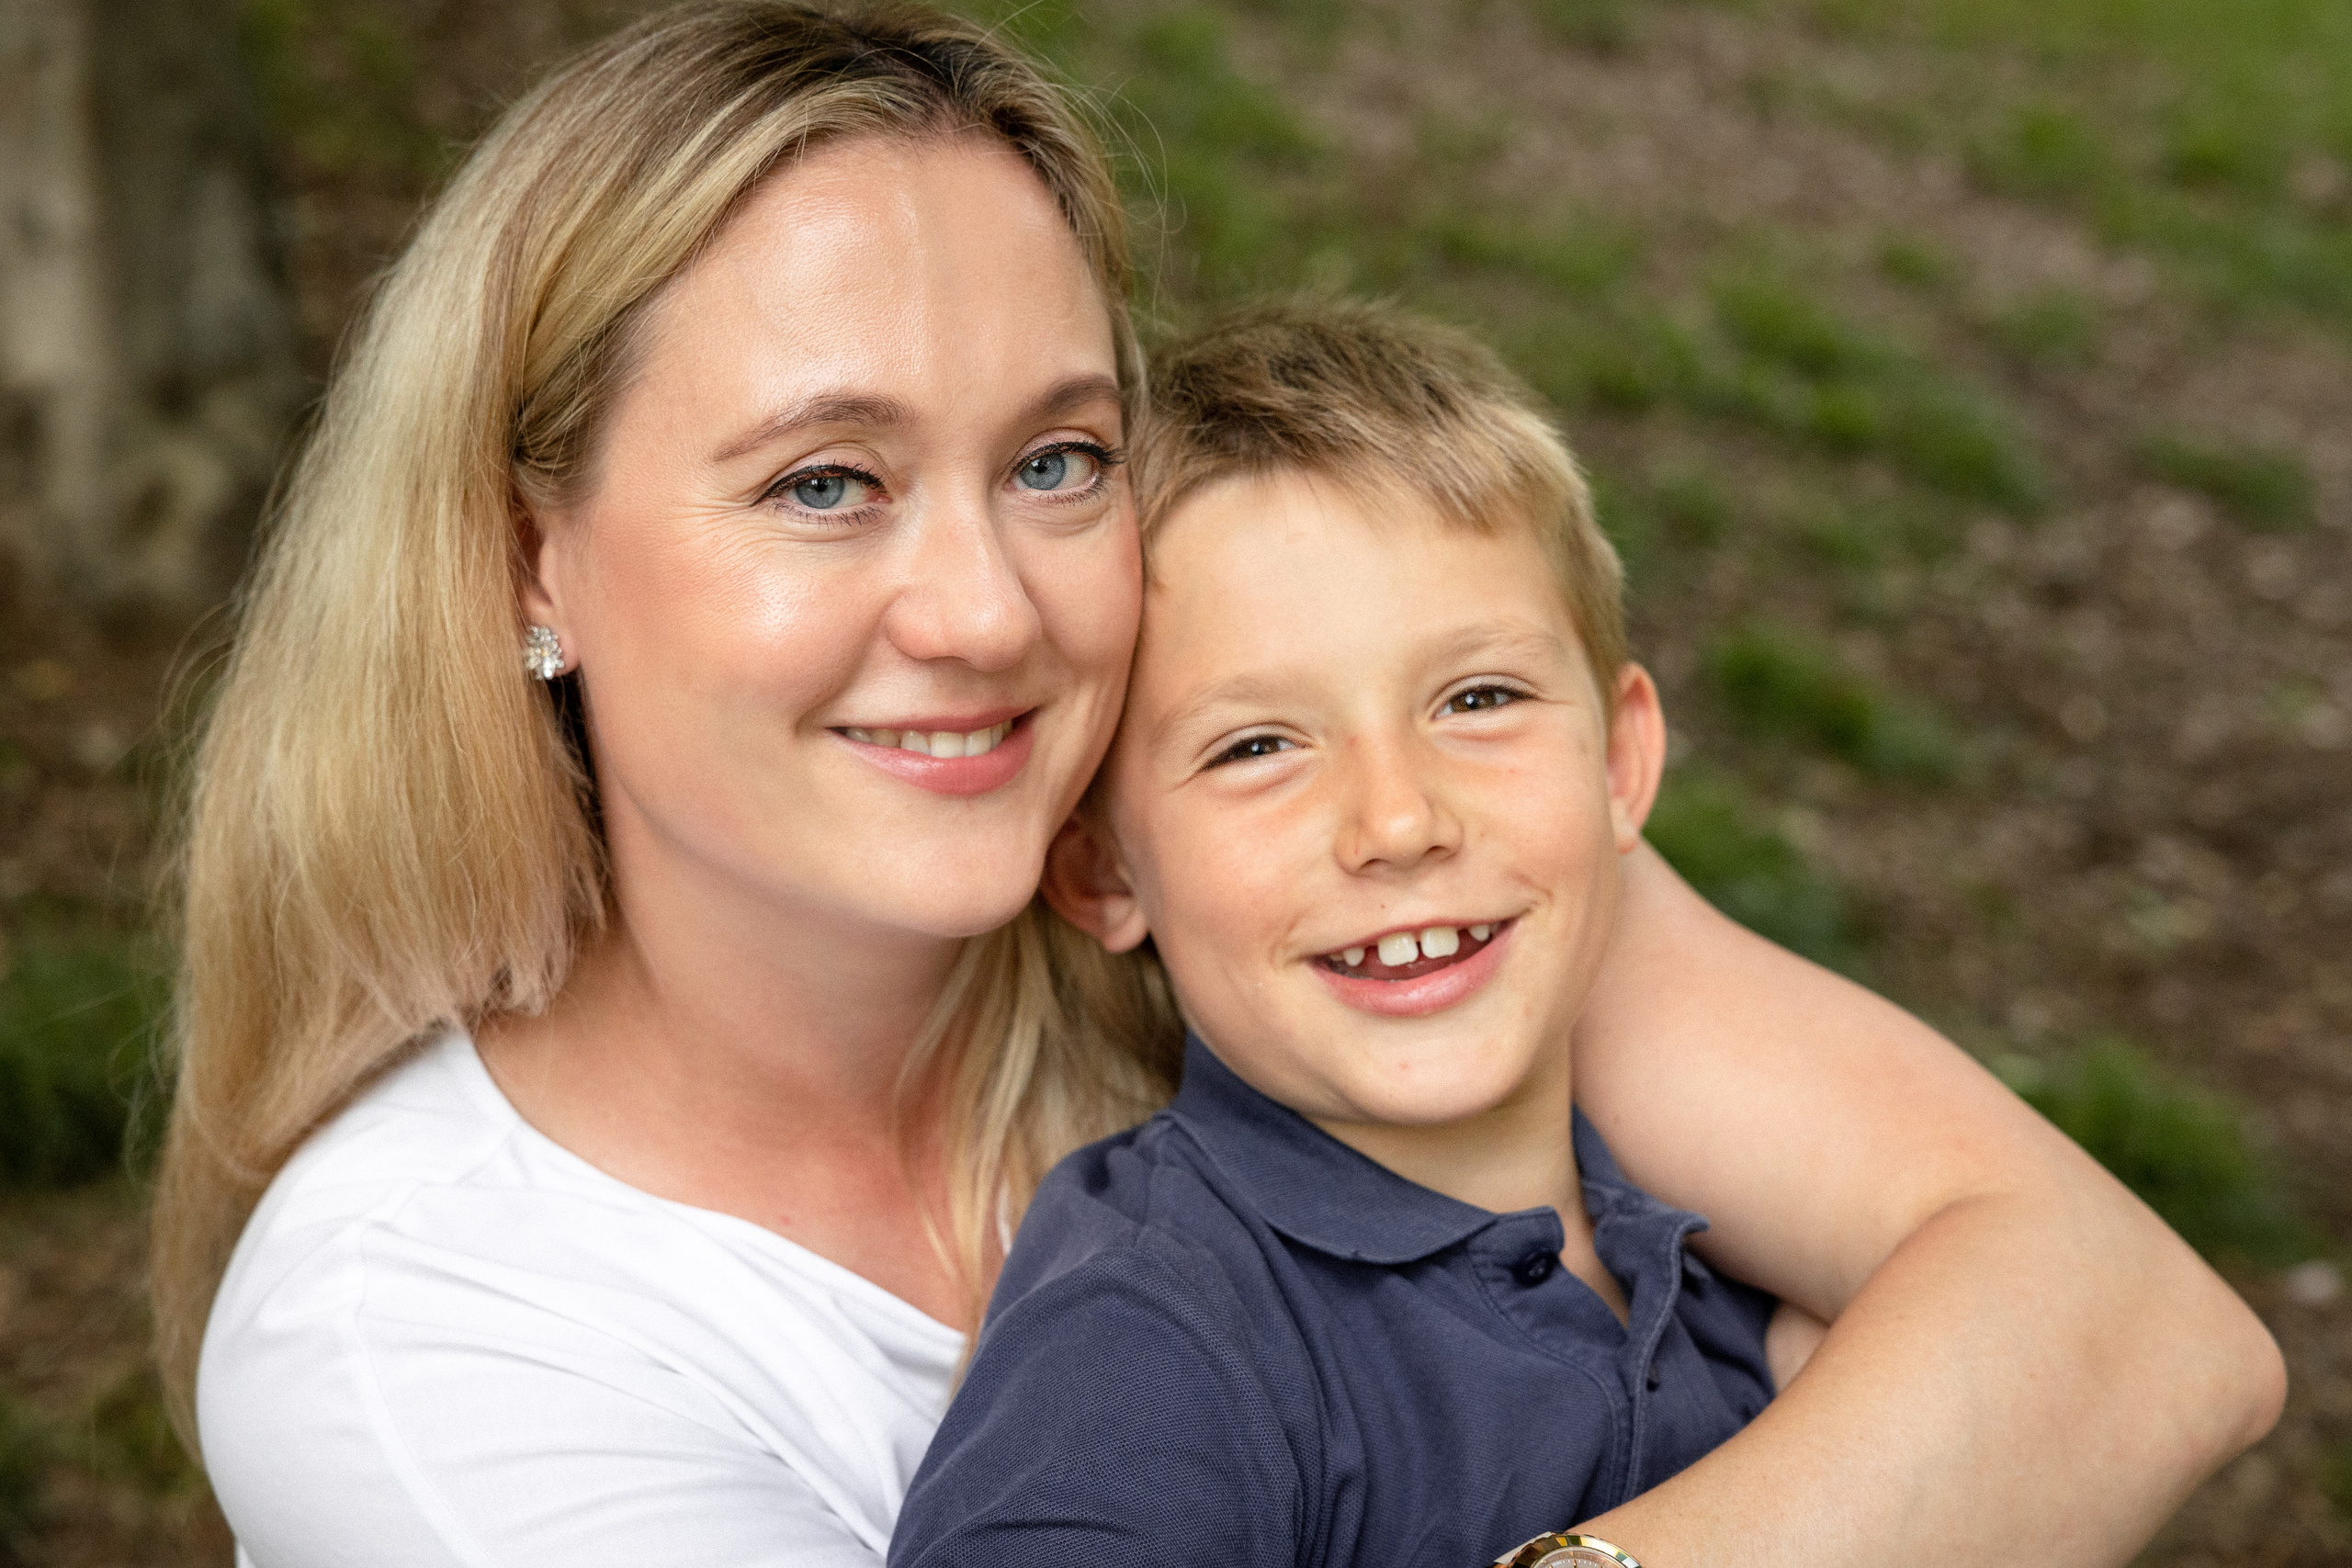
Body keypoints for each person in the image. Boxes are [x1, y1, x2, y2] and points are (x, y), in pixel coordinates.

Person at [153, 5, 2284, 1567]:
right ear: (533, 558)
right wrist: (1846, 1458)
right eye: (826, 480)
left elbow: (2129, 1332)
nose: (985, 606)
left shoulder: (1324, 896)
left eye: (1056, 457)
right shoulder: (426, 1348)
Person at [891, 298, 1803, 1568]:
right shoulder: (1149, 1338)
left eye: (1477, 698)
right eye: (1257, 746)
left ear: (1621, 763)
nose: (1396, 818)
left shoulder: (1720, 1242)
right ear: (1099, 871)